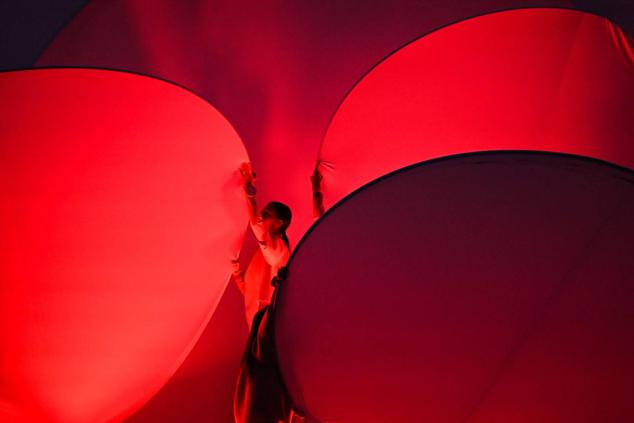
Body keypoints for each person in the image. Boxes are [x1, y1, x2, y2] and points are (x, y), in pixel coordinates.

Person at [232, 162, 292, 329]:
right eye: (263, 211)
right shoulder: (268, 252)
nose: (262, 216)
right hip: (257, 324)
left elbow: (255, 224)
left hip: (265, 325)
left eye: (267, 214)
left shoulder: (278, 251)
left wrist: (249, 192)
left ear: (279, 223)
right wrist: (237, 275)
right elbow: (252, 291)